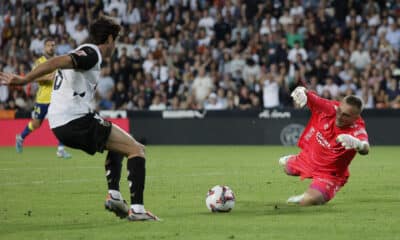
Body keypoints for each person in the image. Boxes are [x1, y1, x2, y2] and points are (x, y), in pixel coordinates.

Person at [0, 16, 159, 221]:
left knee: (119, 141)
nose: (115, 45)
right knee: (137, 149)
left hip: (60, 123)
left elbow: (59, 69)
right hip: (74, 120)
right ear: (109, 39)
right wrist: (24, 80)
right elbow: (57, 61)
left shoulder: (84, 52)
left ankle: (115, 196)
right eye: (115, 39)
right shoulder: (92, 53)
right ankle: (137, 210)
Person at [279, 86, 370, 206]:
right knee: (287, 169)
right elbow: (311, 97)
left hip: (330, 174)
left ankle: (308, 197)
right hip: (309, 160)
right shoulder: (331, 108)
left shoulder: (357, 129)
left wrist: (358, 145)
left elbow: (365, 147)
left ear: (356, 117)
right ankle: (295, 159)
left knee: (307, 201)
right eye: (339, 111)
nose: (339, 116)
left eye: (346, 115)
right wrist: (301, 91)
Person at [15, 38, 72, 159]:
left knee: (62, 121)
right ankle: (20, 137)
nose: (51, 47)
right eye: (49, 45)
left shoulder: (59, 61)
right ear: (44, 48)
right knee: (36, 124)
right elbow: (33, 78)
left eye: (53, 45)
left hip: (57, 98)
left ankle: (61, 149)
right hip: (42, 99)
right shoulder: (40, 62)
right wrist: (47, 78)